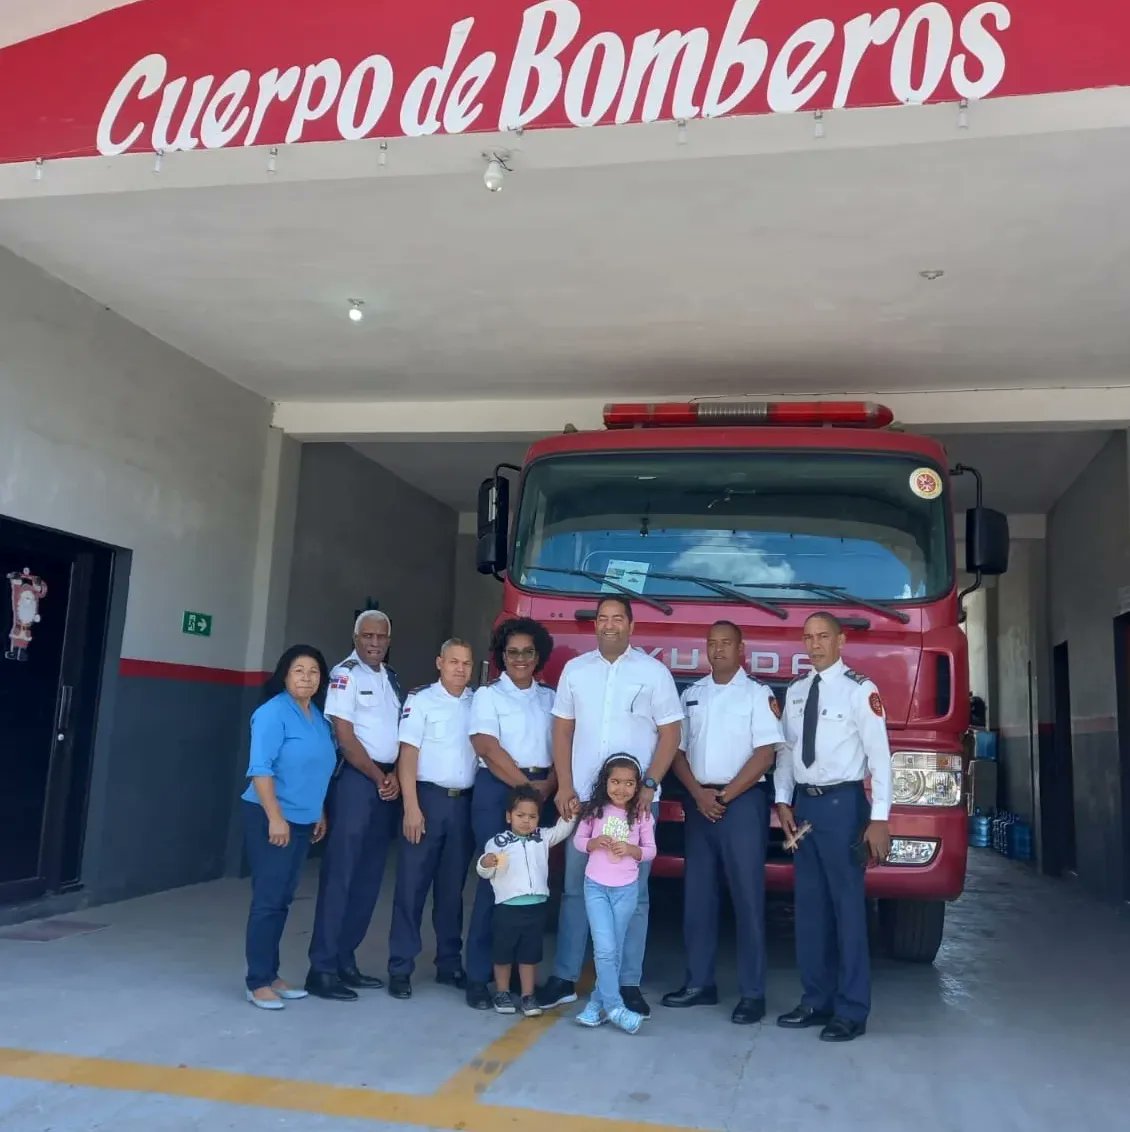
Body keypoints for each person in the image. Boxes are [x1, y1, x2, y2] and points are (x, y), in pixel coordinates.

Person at [538, 595, 682, 1017]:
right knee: (575, 891)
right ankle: (564, 978)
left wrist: (650, 786)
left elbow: (671, 734)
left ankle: (627, 983)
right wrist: (564, 784)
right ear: (595, 626)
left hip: (633, 807)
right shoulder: (575, 671)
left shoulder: (653, 673)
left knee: (632, 895)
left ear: (631, 626)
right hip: (584, 803)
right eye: (602, 619)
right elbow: (562, 731)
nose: (609, 625)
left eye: (618, 618)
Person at [774, 611, 893, 1043]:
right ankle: (815, 1000)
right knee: (810, 910)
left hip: (844, 806)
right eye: (808, 638)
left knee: (847, 910)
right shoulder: (796, 691)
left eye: (823, 637)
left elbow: (880, 757)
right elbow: (787, 751)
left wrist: (879, 818)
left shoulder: (860, 691)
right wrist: (783, 799)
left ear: (841, 641)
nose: (815, 644)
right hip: (805, 807)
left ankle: (851, 1009)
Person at [662, 620, 786, 1024]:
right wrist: (699, 795)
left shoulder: (757, 694)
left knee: (748, 900)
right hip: (700, 802)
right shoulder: (692, 695)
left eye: (726, 644)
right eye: (712, 644)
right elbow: (675, 750)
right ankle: (700, 983)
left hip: (742, 804)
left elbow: (766, 754)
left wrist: (725, 796)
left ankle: (753, 993)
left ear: (741, 648)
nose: (718, 650)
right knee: (698, 898)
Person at [304, 610, 403, 1001]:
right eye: (368, 636)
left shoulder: (390, 678)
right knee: (341, 877)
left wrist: (394, 773)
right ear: (356, 637)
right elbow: (344, 737)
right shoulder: (344, 675)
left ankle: (346, 960)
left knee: (368, 878)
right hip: (357, 783)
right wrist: (380, 778)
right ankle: (322, 968)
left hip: (384, 783)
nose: (375, 643)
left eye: (381, 636)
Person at [464, 617, 557, 1009]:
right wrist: (525, 791)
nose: (520, 659)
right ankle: (478, 977)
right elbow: (485, 744)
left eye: (528, 652)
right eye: (512, 652)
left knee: (529, 890)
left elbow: (564, 744)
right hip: (500, 793)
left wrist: (549, 787)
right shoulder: (488, 696)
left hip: (541, 791)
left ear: (539, 656)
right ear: (502, 656)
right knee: (495, 884)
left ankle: (520, 981)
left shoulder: (551, 697)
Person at [240, 645, 335, 1010]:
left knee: (282, 899)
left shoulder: (318, 717)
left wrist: (320, 811)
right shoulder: (272, 714)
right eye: (299, 670)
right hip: (270, 818)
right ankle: (256, 981)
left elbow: (317, 770)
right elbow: (260, 769)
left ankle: (272, 974)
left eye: (313, 671)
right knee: (267, 900)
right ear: (284, 674)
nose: (307, 677)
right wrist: (276, 817)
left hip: (303, 818)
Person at [386, 638, 477, 999]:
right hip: (427, 800)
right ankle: (400, 967)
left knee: (452, 891)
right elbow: (408, 755)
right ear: (439, 662)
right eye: (453, 661)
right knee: (412, 888)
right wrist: (411, 806)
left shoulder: (478, 703)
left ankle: (449, 963)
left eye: (466, 663)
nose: (460, 669)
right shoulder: (421, 700)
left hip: (463, 805)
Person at [571, 755, 657, 1034]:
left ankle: (596, 1006)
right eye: (615, 782)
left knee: (614, 949)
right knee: (605, 948)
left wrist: (632, 850)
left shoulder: (642, 814)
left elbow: (651, 850)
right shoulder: (594, 811)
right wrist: (594, 842)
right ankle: (616, 1007)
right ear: (605, 782)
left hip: (626, 889)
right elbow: (579, 841)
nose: (621, 789)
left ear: (637, 786)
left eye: (629, 783)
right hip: (595, 885)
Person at [475, 784, 575, 1017]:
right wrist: (485, 864)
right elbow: (486, 871)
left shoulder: (542, 837)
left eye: (532, 816)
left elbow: (563, 829)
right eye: (520, 815)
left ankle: (528, 996)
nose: (526, 821)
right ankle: (502, 992)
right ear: (508, 816)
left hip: (536, 907)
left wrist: (573, 811)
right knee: (503, 953)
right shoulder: (498, 842)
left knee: (529, 954)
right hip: (508, 908)